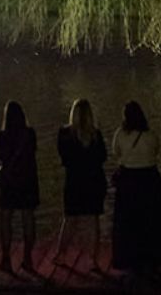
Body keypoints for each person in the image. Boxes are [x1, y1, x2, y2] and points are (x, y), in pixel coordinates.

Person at [55, 98, 107, 272]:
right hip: (93, 181)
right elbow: (102, 157)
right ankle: (93, 260)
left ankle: (61, 255)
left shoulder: (64, 134)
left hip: (74, 181)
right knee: (93, 220)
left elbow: (64, 158)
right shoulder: (96, 135)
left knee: (70, 219)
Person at [111, 100, 161, 274]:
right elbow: (156, 150)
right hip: (149, 179)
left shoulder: (120, 134)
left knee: (128, 221)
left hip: (129, 180)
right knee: (149, 219)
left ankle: (129, 258)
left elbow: (115, 152)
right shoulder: (151, 135)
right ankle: (151, 257)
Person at [0, 100, 39, 275]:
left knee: (6, 217)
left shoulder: (3, 135)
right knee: (28, 217)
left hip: (10, 181)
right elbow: (33, 151)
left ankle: (6, 258)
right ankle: (28, 258)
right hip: (28, 180)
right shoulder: (30, 134)